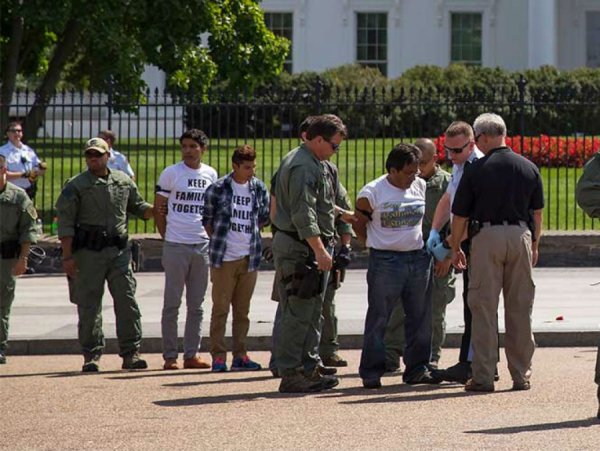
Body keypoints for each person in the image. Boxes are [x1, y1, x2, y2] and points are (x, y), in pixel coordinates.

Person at [449, 112, 544, 392]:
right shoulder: (528, 167)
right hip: (520, 236)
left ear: (485, 137)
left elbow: (460, 216)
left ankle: (484, 375)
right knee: (520, 308)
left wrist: (455, 247)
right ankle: (521, 374)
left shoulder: (476, 169)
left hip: (486, 237)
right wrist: (535, 244)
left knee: (483, 308)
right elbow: (537, 213)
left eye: (477, 138)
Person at [56, 137, 154, 372]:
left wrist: (159, 208)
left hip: (118, 251)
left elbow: (138, 207)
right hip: (88, 254)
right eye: (89, 154)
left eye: (98, 154)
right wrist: (67, 257)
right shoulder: (76, 185)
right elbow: (66, 224)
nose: (93, 158)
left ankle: (131, 353)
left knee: (127, 301)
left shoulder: (122, 181)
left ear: (108, 155)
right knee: (89, 305)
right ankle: (91, 355)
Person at [271, 114, 350, 393]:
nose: (335, 150)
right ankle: (291, 372)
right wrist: (319, 250)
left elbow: (323, 206)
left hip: (310, 247)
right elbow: (303, 213)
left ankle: (308, 366)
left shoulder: (316, 163)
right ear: (317, 140)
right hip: (300, 248)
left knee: (314, 311)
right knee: (298, 311)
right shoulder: (302, 167)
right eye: (333, 145)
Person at [354, 143, 438, 389]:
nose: (415, 176)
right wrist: (368, 242)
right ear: (393, 170)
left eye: (417, 170)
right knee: (380, 317)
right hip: (386, 261)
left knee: (420, 317)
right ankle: (371, 371)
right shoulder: (371, 193)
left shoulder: (420, 185)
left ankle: (418, 367)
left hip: (418, 258)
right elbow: (359, 222)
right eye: (410, 171)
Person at [384, 138, 456, 371]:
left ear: (435, 159)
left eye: (423, 163)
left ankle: (431, 356)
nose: (417, 169)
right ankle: (391, 354)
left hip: (436, 254)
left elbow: (457, 222)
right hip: (405, 254)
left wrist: (446, 255)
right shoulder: (404, 182)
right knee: (396, 308)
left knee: (435, 309)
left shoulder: (447, 183)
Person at [425, 121, 484, 384]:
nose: (451, 156)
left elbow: (474, 216)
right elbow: (447, 200)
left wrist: (451, 246)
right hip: (460, 239)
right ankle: (470, 361)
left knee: (477, 303)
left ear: (471, 145)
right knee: (470, 301)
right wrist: (434, 231)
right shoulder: (461, 166)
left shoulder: (478, 167)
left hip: (474, 241)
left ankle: (473, 363)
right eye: (447, 150)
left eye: (456, 151)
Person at [202, 144, 270, 372]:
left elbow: (262, 218)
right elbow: (208, 220)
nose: (251, 171)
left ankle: (240, 355)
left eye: (253, 166)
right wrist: (221, 241)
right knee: (220, 309)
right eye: (247, 167)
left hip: (249, 257)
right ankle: (218, 356)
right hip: (224, 258)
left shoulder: (258, 188)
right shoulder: (218, 188)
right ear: (235, 166)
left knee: (243, 311)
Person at [154, 129, 217, 370]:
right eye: (185, 146)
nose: (188, 151)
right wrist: (167, 235)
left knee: (197, 305)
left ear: (203, 148)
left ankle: (191, 354)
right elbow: (160, 208)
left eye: (193, 146)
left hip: (201, 244)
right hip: (176, 244)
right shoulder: (172, 173)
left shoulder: (210, 173)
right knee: (172, 303)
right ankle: (170, 356)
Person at [0, 155, 38, 364]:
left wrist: (23, 259)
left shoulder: (18, 196)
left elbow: (28, 230)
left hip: (6, 258)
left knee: (2, 305)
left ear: (4, 170)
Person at [0, 121, 46, 201]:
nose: (17, 133)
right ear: (7, 134)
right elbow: (3, 174)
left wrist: (41, 169)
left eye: (19, 131)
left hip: (28, 192)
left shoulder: (28, 150)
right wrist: (24, 174)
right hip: (10, 192)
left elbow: (39, 169)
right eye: (13, 131)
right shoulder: (2, 151)